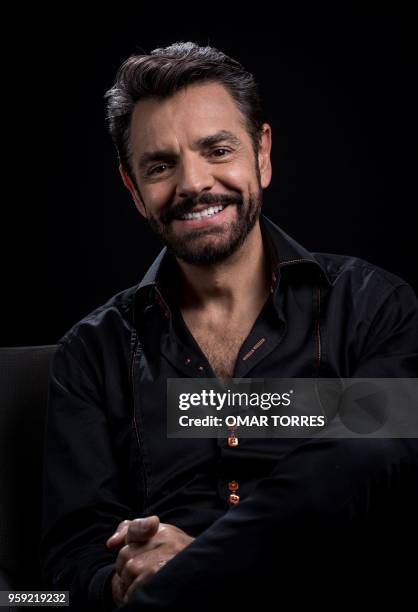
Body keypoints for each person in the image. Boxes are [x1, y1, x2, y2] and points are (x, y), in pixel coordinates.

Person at [40, 42, 418, 611]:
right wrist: (121, 580)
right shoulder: (90, 355)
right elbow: (63, 570)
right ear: (133, 190)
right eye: (161, 165)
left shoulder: (374, 307)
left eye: (217, 149)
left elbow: (372, 460)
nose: (194, 183)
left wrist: (195, 571)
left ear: (261, 153)